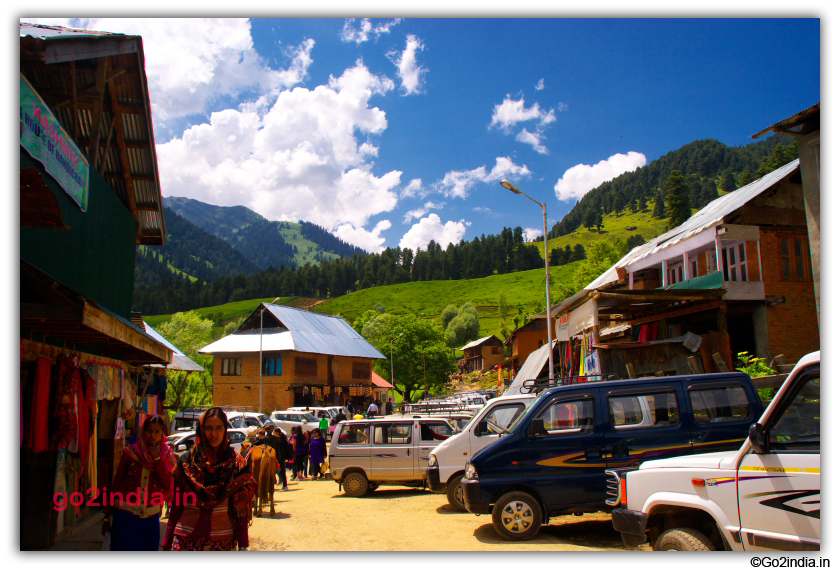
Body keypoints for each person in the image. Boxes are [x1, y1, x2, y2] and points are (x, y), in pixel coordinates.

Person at [162, 407, 257, 551]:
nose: (214, 434)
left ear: (225, 429)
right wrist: (167, 543)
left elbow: (240, 511)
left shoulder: (236, 465)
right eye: (208, 428)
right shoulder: (186, 463)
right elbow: (176, 507)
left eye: (219, 428)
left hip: (222, 543)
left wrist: (243, 545)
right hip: (185, 543)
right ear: (201, 430)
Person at [101, 415, 174, 551]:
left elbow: (167, 484)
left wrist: (157, 459)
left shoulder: (167, 456)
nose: (152, 436)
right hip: (125, 515)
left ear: (162, 433)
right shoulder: (130, 453)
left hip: (150, 517)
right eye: (149, 431)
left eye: (157, 432)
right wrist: (107, 516)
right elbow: (116, 483)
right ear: (143, 432)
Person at [267, 427, 288, 491]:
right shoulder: (282, 439)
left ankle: (284, 485)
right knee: (282, 471)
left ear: (277, 433)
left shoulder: (278, 440)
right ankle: (284, 485)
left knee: (281, 471)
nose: (273, 433)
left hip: (279, 457)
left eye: (274, 432)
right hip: (282, 457)